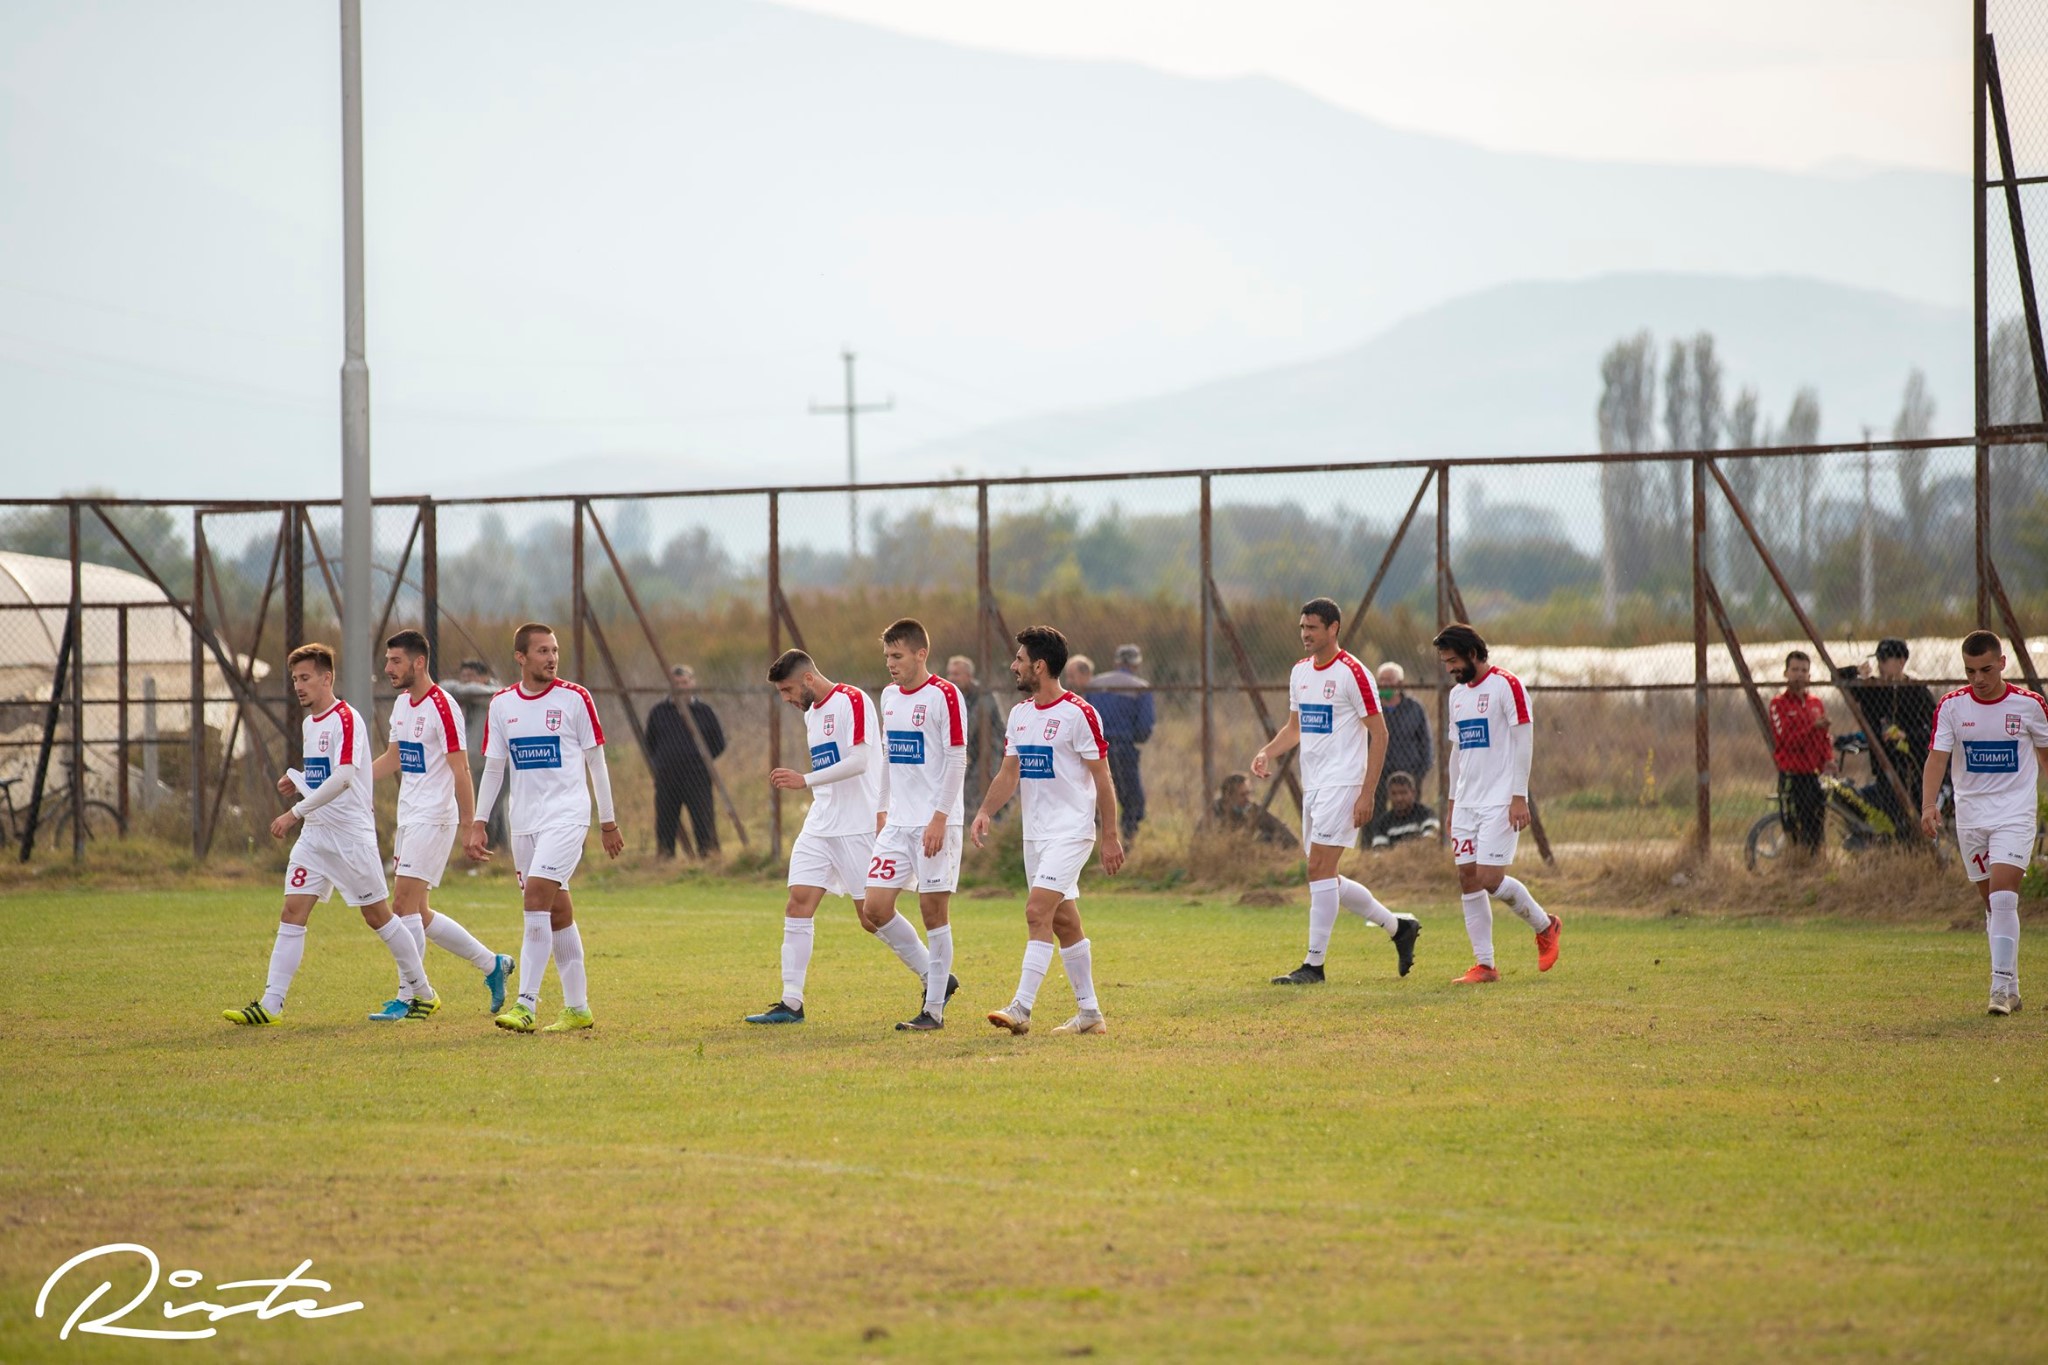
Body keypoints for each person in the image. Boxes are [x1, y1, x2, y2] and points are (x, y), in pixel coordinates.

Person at [222, 643, 434, 1026]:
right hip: (316, 836)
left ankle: (423, 991)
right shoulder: (309, 724)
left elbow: (345, 776)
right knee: (292, 912)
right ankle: (271, 1004)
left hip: (350, 838)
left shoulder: (346, 718)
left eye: (305, 678)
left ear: (327, 678)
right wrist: (299, 779)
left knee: (379, 917)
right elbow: (324, 775)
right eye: (294, 680)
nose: (298, 686)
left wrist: (293, 813)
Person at [466, 623, 624, 1034]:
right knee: (557, 910)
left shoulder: (575, 699)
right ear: (520, 657)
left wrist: (607, 821)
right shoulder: (501, 704)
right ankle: (578, 1008)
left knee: (536, 898)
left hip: (568, 816)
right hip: (524, 823)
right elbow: (495, 768)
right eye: (542, 651)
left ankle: (526, 1005)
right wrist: (478, 822)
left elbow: (597, 762)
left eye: (554, 650)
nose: (552, 658)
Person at [1253, 598, 1420, 985]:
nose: (1305, 635)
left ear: (1333, 629)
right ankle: (1399, 928)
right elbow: (1294, 728)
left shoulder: (1353, 673)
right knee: (1325, 876)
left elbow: (1380, 733)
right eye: (1301, 628)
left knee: (1319, 870)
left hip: (1344, 784)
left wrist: (1367, 794)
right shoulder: (1299, 673)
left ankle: (1314, 966)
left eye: (1312, 627)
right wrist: (1267, 751)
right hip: (1315, 785)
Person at [972, 625, 1124, 1036]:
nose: (1013, 666)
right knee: (1064, 923)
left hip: (1072, 832)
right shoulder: (1020, 715)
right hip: (1035, 837)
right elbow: (1009, 772)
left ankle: (1021, 1008)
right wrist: (986, 810)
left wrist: (1109, 835)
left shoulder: (1079, 714)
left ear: (1039, 666)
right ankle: (1090, 1014)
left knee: (1036, 912)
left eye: (1019, 659)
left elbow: (1104, 778)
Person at [365, 630, 512, 1021]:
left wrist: (470, 825)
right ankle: (492, 964)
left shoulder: (443, 706)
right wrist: (351, 779)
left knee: (401, 907)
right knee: (421, 914)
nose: (388, 668)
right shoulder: (402, 706)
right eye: (387, 661)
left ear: (418, 662)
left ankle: (413, 996)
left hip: (436, 816)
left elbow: (461, 768)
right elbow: (394, 758)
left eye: (395, 661)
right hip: (410, 815)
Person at [746, 650, 896, 1025]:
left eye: (788, 690)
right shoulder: (812, 712)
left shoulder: (853, 700)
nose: (787, 699)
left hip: (857, 824)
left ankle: (934, 976)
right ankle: (791, 1003)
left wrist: (805, 780)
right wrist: (813, 788)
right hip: (821, 822)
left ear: (808, 679)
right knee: (798, 902)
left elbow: (861, 762)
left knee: (871, 916)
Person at [1920, 630, 2048, 1016]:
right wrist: (1928, 805)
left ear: (2003, 663)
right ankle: (2012, 985)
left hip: (2015, 814)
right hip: (1971, 818)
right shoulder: (1952, 707)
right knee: (1992, 905)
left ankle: (1998, 988)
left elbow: (2046, 758)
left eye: (1986, 669)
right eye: (1970, 670)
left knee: (2004, 894)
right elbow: (1937, 759)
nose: (1978, 678)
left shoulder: (2030, 705)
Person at [1437, 622, 1560, 983]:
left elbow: (1525, 742)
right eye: (1445, 662)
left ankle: (1546, 925)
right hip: (1467, 802)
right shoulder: (1456, 696)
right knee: (1467, 878)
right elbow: (1457, 752)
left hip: (1500, 801)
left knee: (1490, 878)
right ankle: (1486, 966)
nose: (1450, 669)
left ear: (1473, 653)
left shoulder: (1508, 685)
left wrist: (1518, 797)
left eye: (1454, 661)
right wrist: (1451, 804)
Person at [871, 620, 968, 1031]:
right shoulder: (889, 696)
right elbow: (889, 759)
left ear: (920, 654)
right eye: (887, 657)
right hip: (898, 822)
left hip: (935, 822)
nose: (891, 664)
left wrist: (940, 818)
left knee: (933, 911)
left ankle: (933, 1012)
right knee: (874, 908)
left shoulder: (945, 695)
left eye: (897, 656)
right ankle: (937, 978)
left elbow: (956, 759)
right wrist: (881, 810)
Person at [1851, 637, 1936, 837]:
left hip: (1914, 765)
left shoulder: (1916, 690)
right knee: (1891, 815)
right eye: (1878, 660)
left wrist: (1908, 736)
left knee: (1911, 818)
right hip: (1885, 764)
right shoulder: (1873, 689)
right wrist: (1856, 672)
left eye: (1884, 660)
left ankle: (1916, 851)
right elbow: (1839, 680)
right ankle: (1895, 849)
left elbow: (1935, 729)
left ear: (1901, 662)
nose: (1879, 665)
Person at [647, 664, 727, 858]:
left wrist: (699, 760)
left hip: (697, 777)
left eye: (685, 682)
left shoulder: (703, 711)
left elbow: (718, 743)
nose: (681, 687)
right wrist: (664, 761)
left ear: (693, 683)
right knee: (666, 822)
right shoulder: (660, 711)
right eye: (677, 683)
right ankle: (665, 861)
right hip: (667, 777)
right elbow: (649, 742)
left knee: (703, 820)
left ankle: (708, 860)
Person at [1091, 643, 1155, 843]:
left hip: (1094, 749)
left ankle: (1093, 840)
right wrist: (1134, 737)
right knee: (1132, 799)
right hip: (1122, 747)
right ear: (1136, 664)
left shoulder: (1094, 684)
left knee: (1095, 794)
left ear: (1116, 662)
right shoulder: (1140, 688)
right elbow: (1145, 726)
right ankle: (1127, 842)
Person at [1770, 650, 1831, 854]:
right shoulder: (1778, 704)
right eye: (1795, 669)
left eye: (1804, 670)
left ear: (1810, 676)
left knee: (1816, 828)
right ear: (1785, 673)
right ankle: (1796, 866)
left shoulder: (1816, 703)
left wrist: (1828, 759)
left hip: (1813, 774)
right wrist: (1812, 727)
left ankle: (1814, 867)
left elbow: (1824, 738)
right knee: (1796, 828)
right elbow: (1787, 740)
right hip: (1793, 774)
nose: (1799, 674)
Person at [445, 659, 507, 851]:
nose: (466, 683)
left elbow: (488, 693)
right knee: (483, 808)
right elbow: (443, 686)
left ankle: (493, 849)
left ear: (484, 678)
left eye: (471, 678)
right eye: (463, 678)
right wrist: (464, 689)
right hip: (472, 764)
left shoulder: (495, 697)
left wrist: (467, 690)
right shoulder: (460, 697)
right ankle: (497, 850)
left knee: (490, 810)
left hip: (496, 765)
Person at [1374, 662, 1433, 809]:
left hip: (1408, 771)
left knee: (1407, 812)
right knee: (1376, 813)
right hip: (1378, 772)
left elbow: (1425, 741)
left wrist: (1420, 772)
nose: (1384, 684)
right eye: (1381, 680)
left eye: (1388, 680)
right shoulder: (1372, 708)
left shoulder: (1414, 708)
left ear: (1399, 684)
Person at [948, 654, 1002, 805]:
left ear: (968, 676)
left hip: (991, 754)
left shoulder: (982, 695)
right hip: (974, 755)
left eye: (956, 674)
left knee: (975, 796)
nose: (951, 678)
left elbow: (969, 727)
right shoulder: (958, 696)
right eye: (950, 674)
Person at [1360, 771, 1439, 848]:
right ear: (1388, 795)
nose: (1399, 798)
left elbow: (1429, 841)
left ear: (1413, 793)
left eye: (1403, 793)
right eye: (1394, 793)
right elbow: (1380, 851)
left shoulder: (1426, 813)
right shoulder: (1382, 823)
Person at [1211, 772, 1294, 846]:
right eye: (1242, 795)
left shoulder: (1253, 809)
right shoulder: (1214, 812)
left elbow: (1284, 833)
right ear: (1228, 796)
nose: (1247, 798)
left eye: (1248, 793)